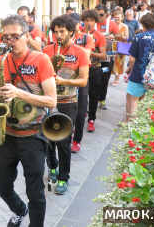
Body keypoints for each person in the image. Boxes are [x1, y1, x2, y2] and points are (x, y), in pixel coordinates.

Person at [0, 15, 57, 227]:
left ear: (27, 36)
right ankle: (20, 210)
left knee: (35, 192)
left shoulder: (41, 60)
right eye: (6, 37)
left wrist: (18, 92)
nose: (10, 41)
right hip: (7, 135)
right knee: (1, 184)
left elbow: (51, 100)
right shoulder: (1, 61)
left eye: (15, 36)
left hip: (33, 136)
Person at [43, 15, 89, 194]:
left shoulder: (80, 53)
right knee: (47, 138)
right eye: (55, 32)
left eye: (62, 32)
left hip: (68, 102)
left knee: (62, 140)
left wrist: (63, 81)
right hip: (47, 101)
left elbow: (83, 81)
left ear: (71, 31)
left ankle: (63, 177)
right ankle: (52, 166)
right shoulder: (46, 50)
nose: (58, 35)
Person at [125, 14, 154, 122]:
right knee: (149, 102)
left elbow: (131, 59)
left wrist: (131, 69)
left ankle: (130, 124)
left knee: (132, 99)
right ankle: (144, 126)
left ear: (143, 24)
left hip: (138, 74)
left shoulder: (139, 37)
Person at [70, 17, 94, 153]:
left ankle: (76, 140)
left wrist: (72, 44)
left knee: (81, 111)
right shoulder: (61, 39)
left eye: (75, 24)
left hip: (82, 77)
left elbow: (86, 53)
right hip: (66, 78)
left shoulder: (87, 38)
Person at [81, 10, 107, 132]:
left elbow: (103, 55)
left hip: (95, 69)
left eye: (91, 20)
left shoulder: (100, 36)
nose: (89, 23)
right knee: (81, 96)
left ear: (95, 22)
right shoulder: (78, 34)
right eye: (86, 20)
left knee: (93, 95)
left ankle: (91, 119)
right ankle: (81, 115)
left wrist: (90, 52)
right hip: (80, 70)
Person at [95, 5, 120, 110]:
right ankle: (93, 99)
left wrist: (113, 37)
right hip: (94, 58)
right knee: (95, 79)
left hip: (107, 59)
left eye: (101, 14)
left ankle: (102, 100)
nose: (98, 17)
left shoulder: (112, 24)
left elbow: (119, 36)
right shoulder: (92, 23)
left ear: (106, 14)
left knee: (104, 78)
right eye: (96, 14)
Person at [111, 9, 129, 85]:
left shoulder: (125, 26)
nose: (117, 19)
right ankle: (115, 76)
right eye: (115, 17)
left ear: (122, 17)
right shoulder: (111, 25)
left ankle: (117, 78)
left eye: (118, 17)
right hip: (113, 46)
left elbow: (127, 37)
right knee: (112, 62)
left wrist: (119, 36)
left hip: (122, 46)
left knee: (119, 62)